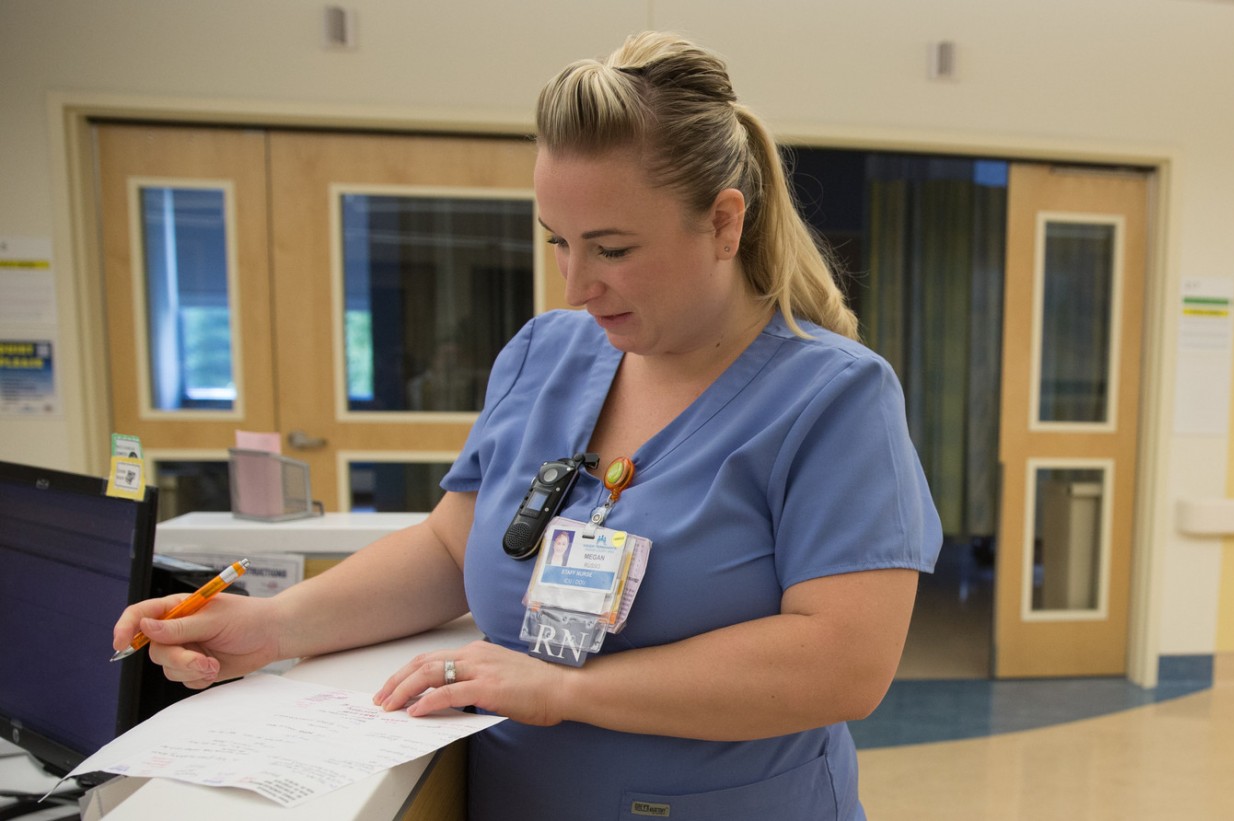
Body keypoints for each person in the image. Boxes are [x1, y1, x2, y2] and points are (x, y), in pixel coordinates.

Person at [113, 31, 942, 819]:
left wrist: (563, 687)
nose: (578, 285)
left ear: (725, 223)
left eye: (613, 248)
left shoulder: (832, 398)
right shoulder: (546, 355)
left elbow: (841, 664)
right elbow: (446, 548)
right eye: (559, 242)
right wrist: (272, 623)